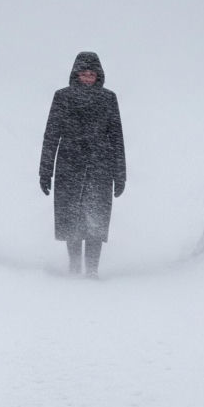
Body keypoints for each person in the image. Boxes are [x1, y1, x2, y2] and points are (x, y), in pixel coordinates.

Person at [39, 51, 126, 278]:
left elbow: (116, 137)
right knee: (72, 217)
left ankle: (93, 269)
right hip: (69, 164)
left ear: (99, 75)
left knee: (96, 217)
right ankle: (75, 266)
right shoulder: (63, 97)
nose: (88, 77)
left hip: (101, 166)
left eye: (92, 74)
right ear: (75, 75)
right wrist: (45, 171)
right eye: (84, 73)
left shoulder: (108, 99)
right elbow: (51, 135)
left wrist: (120, 174)